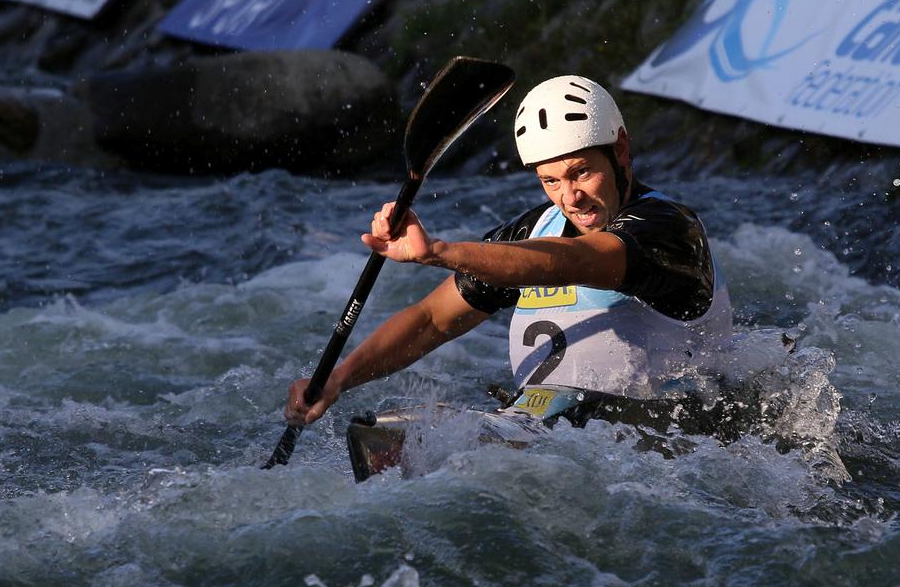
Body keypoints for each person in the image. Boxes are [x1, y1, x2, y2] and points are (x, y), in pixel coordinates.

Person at [286, 75, 733, 431]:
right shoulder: (531, 230)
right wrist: (339, 379)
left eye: (581, 173)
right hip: (559, 429)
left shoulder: (669, 229)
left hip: (674, 432)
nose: (570, 197)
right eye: (550, 181)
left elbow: (574, 261)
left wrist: (441, 251)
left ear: (620, 149)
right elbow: (432, 319)